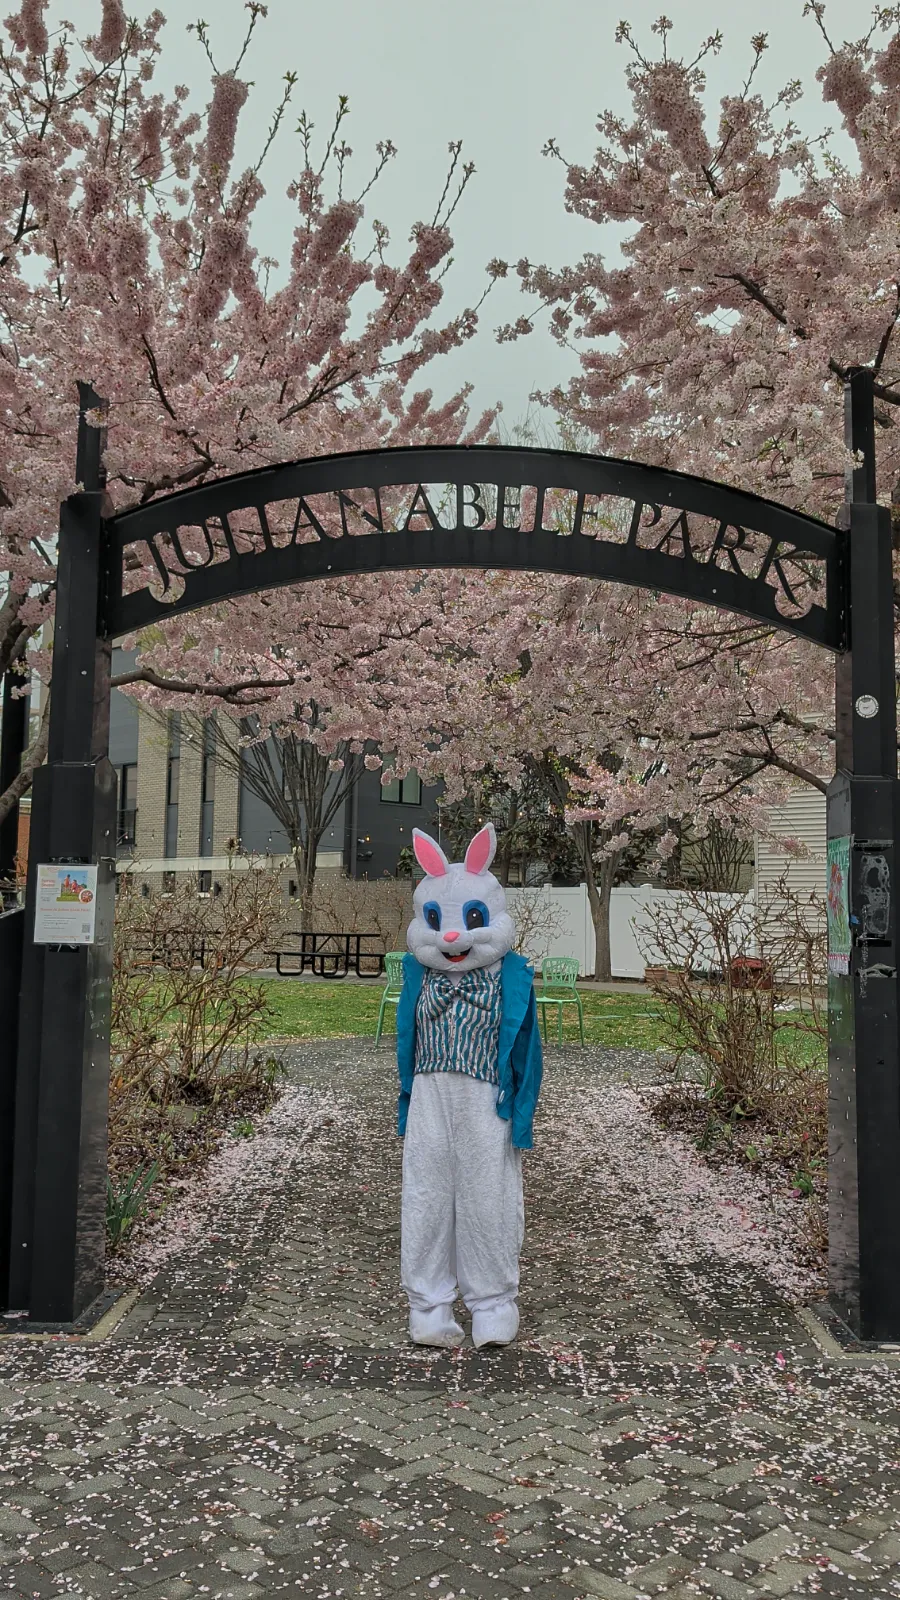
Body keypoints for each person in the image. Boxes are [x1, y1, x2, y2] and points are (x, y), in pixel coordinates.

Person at [396, 822, 543, 1349]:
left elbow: (529, 1055)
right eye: (438, 921)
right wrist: (405, 1103)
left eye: (470, 920)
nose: (452, 936)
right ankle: (429, 1309)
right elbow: (405, 1046)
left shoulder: (512, 978)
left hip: (488, 1100)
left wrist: (521, 1114)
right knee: (427, 1196)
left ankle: (493, 1306)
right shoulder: (420, 978)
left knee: (489, 1198)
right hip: (430, 1095)